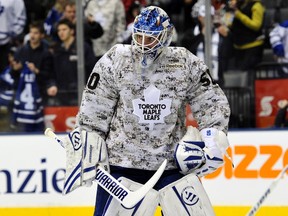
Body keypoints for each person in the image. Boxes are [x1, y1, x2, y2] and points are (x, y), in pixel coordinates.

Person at [59, 6, 231, 215]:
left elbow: (209, 100)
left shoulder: (184, 61)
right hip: (122, 163)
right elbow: (95, 105)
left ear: (166, 36)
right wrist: (88, 143)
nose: (142, 44)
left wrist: (213, 138)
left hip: (170, 166)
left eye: (150, 38)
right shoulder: (116, 59)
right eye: (139, 36)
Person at [52, 18, 96, 106]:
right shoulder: (56, 50)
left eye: (64, 29)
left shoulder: (83, 47)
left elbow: (93, 69)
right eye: (59, 30)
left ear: (72, 31)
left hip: (81, 94)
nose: (61, 32)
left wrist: (89, 88)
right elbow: (53, 71)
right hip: (62, 94)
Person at [228, 0, 265, 71]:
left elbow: (256, 25)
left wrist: (239, 15)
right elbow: (229, 23)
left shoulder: (256, 5)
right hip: (238, 45)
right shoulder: (238, 5)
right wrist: (230, 11)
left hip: (252, 46)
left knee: (248, 74)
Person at [0, 0, 27, 73]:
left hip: (8, 42)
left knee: (6, 71)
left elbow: (21, 19)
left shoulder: (16, 1)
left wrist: (13, 34)